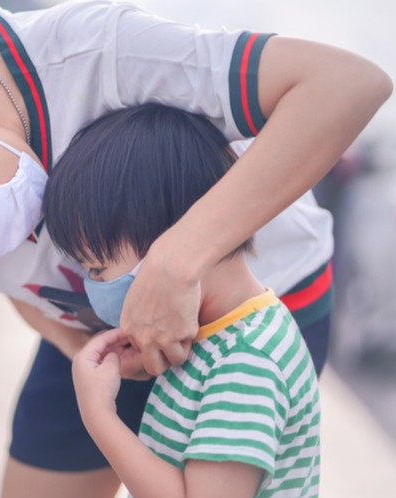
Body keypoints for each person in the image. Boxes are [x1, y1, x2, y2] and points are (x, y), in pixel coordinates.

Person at [0, 1, 389, 496]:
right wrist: (79, 351)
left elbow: (348, 84)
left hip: (248, 311)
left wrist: (179, 261)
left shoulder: (96, 53)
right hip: (103, 335)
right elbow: (21, 288)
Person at [44, 103, 320, 498]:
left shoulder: (247, 360)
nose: (93, 285)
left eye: (98, 268)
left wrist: (98, 415)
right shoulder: (216, 335)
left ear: (167, 237)